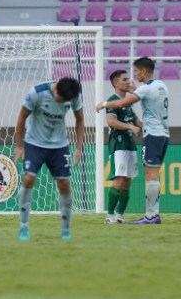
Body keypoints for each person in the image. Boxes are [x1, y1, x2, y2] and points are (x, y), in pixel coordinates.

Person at [97, 57, 169, 225]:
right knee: (126, 178)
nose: (132, 77)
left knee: (147, 176)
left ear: (144, 71)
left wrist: (103, 104)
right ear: (116, 84)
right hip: (156, 135)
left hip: (151, 135)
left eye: (135, 72)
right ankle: (113, 215)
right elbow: (114, 120)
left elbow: (126, 101)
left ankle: (150, 215)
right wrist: (134, 126)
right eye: (125, 78)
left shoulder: (143, 90)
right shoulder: (161, 85)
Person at [14, 77, 84, 240]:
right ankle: (23, 227)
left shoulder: (73, 95)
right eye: (62, 99)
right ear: (56, 90)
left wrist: (79, 147)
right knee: (28, 179)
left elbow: (80, 119)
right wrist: (19, 145)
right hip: (34, 143)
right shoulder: (37, 93)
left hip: (59, 145)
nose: (64, 103)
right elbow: (21, 117)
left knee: (64, 184)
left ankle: (66, 230)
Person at [104, 70, 142, 224]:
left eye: (129, 79)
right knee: (119, 180)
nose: (128, 81)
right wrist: (130, 127)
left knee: (127, 181)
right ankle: (109, 215)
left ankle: (120, 215)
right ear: (116, 83)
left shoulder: (128, 104)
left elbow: (138, 123)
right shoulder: (112, 101)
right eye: (125, 79)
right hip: (118, 144)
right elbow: (111, 122)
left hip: (130, 145)